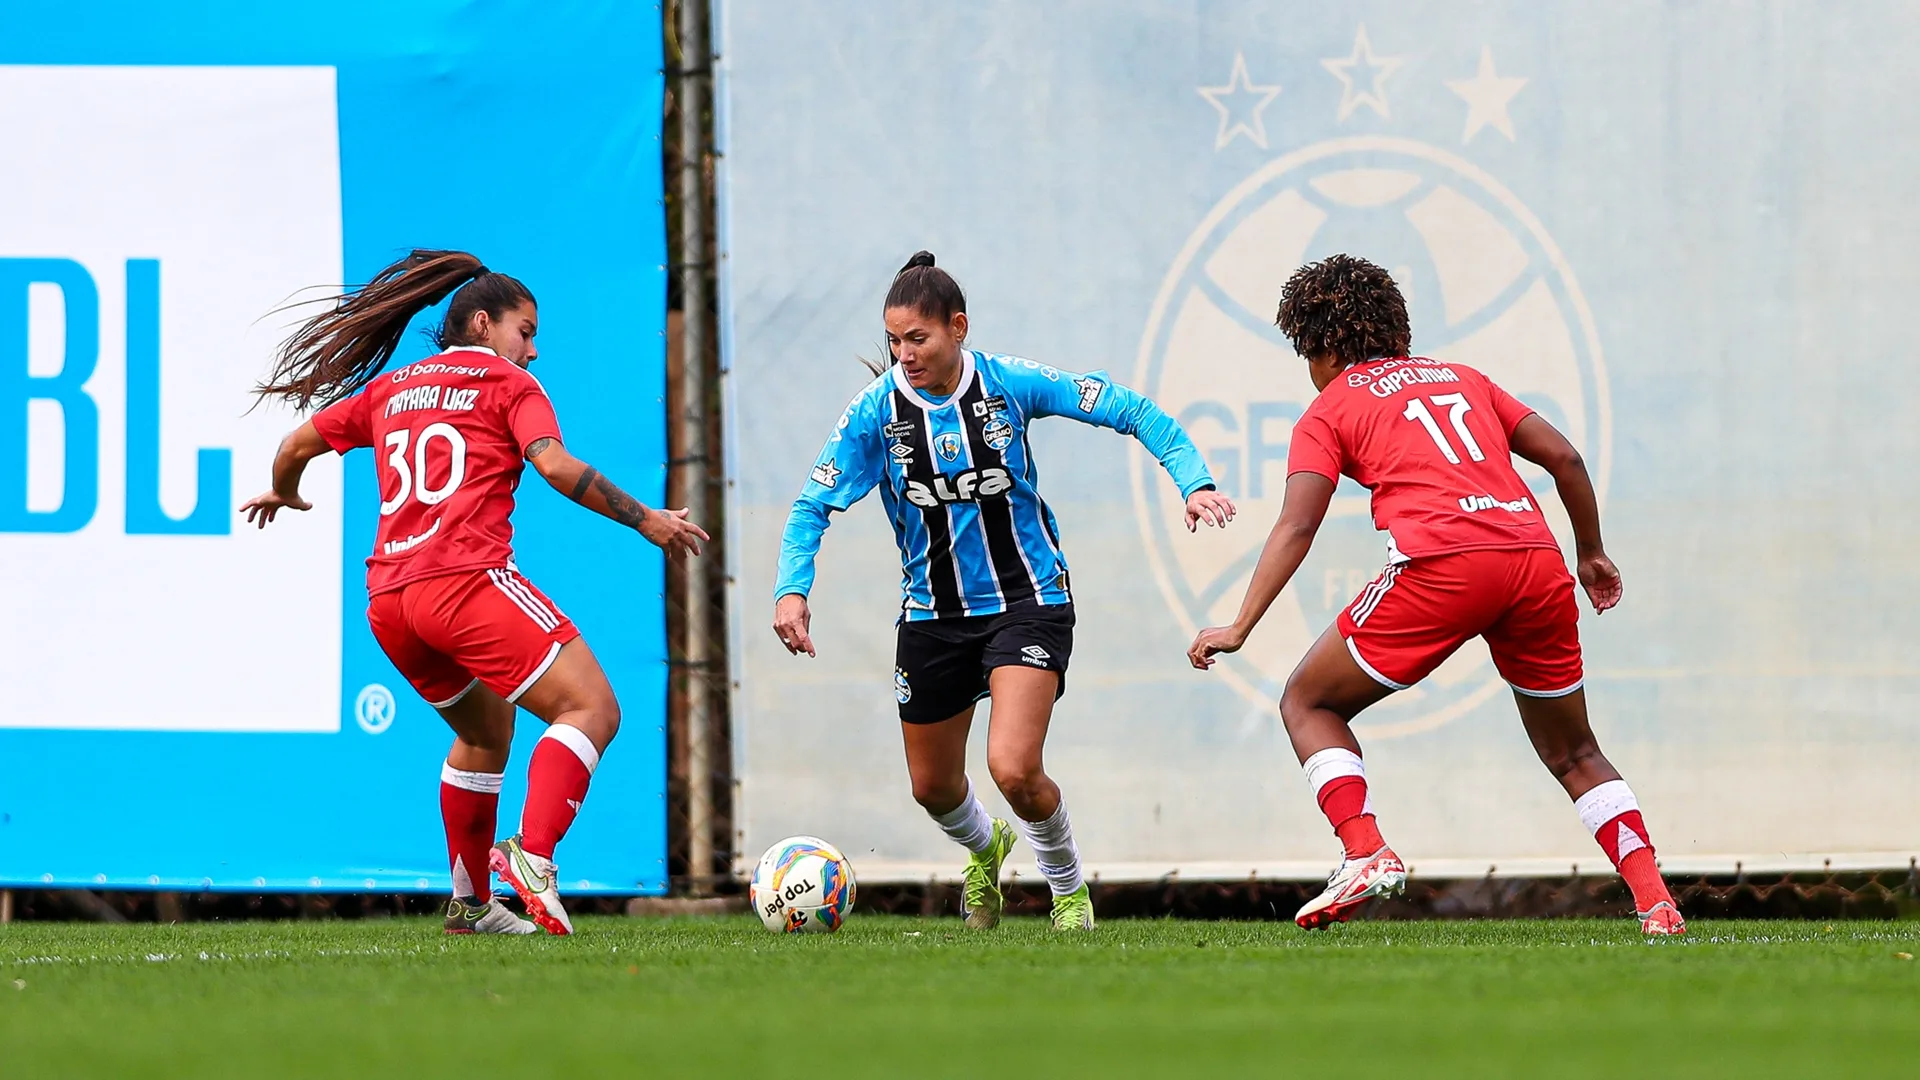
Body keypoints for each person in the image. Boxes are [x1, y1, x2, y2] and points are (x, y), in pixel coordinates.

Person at [1187, 254, 1685, 937]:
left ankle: (1365, 850)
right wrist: (1591, 553)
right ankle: (1657, 903)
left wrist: (1240, 624)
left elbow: (1298, 524)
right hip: (1535, 561)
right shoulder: (1464, 379)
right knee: (1575, 752)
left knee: (1308, 701)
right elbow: (1565, 458)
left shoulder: (1329, 407)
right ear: (1396, 327)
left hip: (1443, 566)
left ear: (1323, 349)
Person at [242, 249, 708, 936]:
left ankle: (471, 904)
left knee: (485, 732)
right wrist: (646, 520)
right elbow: (554, 465)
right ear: (485, 324)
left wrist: (284, 492)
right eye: (527, 331)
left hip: (391, 603)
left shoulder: (392, 388)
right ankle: (533, 856)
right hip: (464, 584)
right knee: (592, 708)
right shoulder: (508, 384)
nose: (533, 350)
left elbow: (293, 445)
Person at [773, 251, 1236, 931]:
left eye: (918, 338)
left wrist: (1193, 481)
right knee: (932, 788)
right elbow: (812, 505)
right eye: (895, 341)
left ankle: (1068, 892)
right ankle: (986, 846)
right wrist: (792, 591)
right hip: (932, 615)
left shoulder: (1008, 383)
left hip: (1028, 603)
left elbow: (1127, 408)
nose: (904, 355)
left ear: (957, 328)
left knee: (1013, 766)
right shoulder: (875, 413)